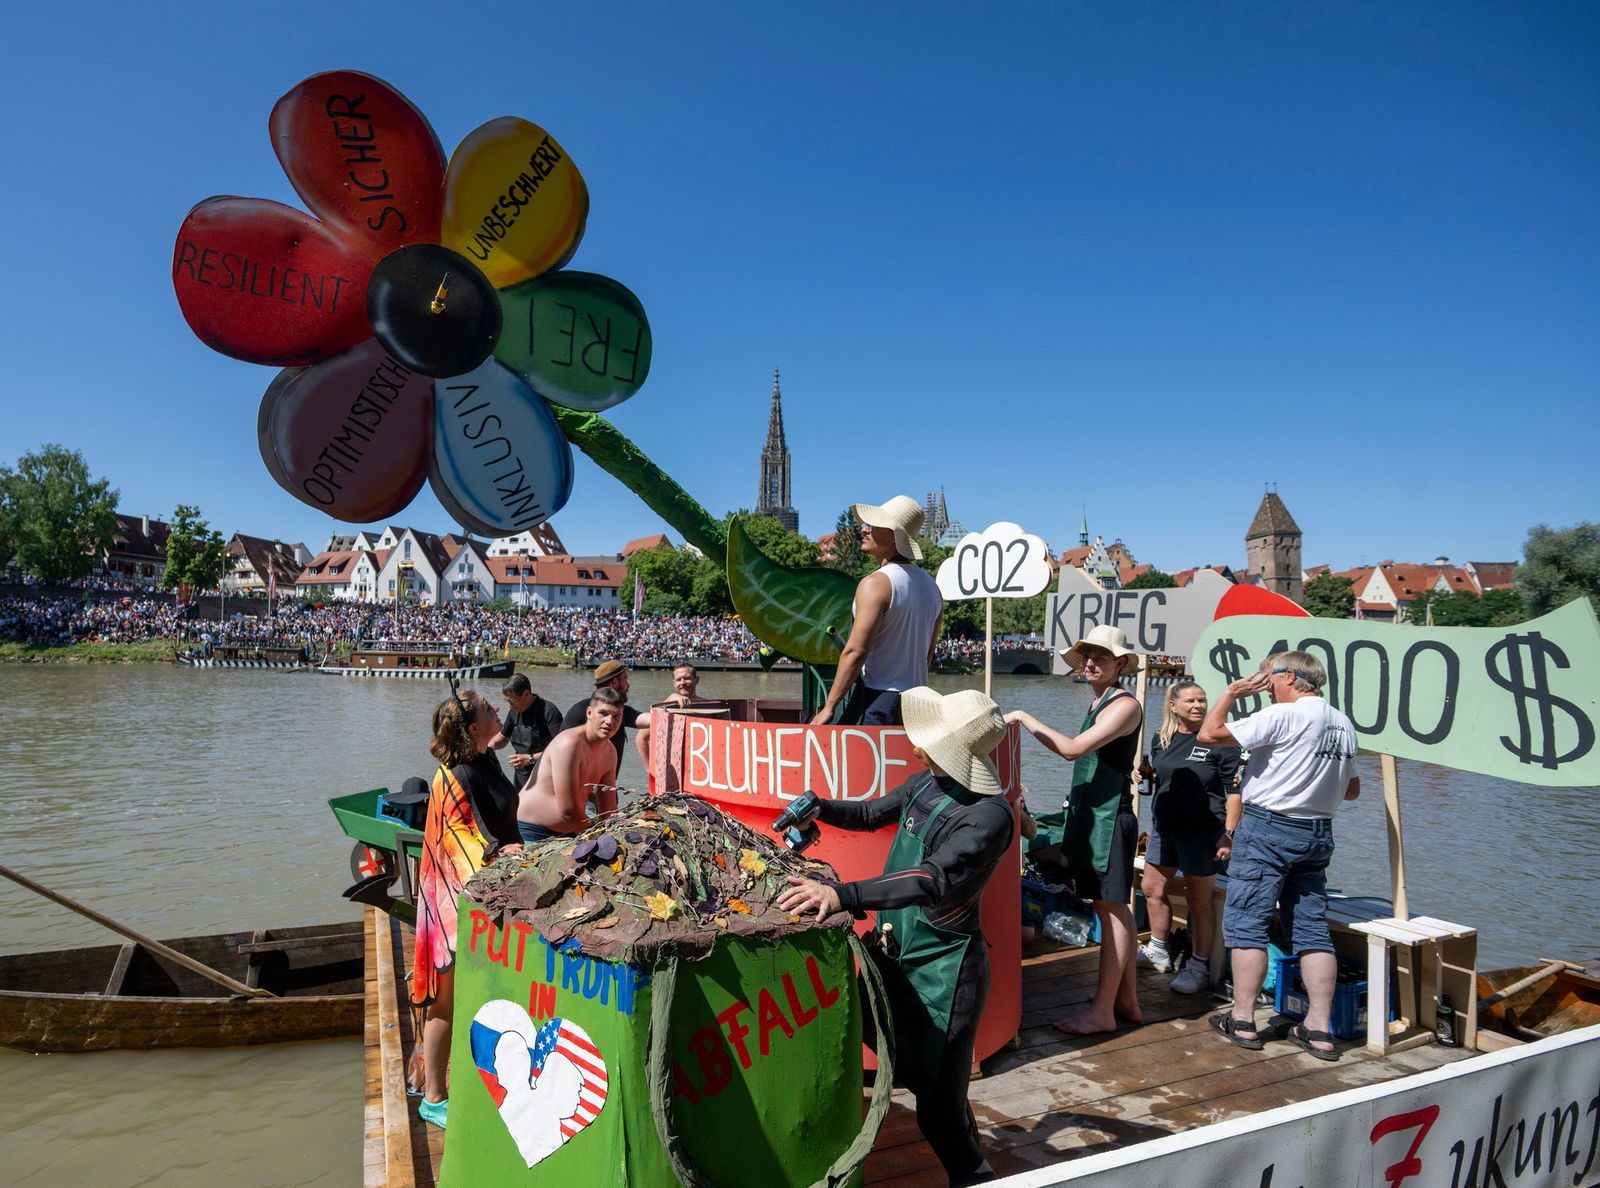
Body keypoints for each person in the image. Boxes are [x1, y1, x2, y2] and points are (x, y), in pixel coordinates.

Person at [778, 687, 1014, 1186]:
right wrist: (819, 806)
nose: (916, 745)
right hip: (896, 952)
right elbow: (868, 815)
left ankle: (979, 1178)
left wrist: (843, 895)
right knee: (894, 1056)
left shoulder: (990, 816)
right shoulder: (926, 784)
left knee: (939, 1111)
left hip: (945, 974)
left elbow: (930, 880)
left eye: (928, 740)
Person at [1198, 651, 1359, 1060]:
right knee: (1311, 930)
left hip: (1269, 827)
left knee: (1247, 922)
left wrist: (1232, 692)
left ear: (1289, 676)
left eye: (1267, 677)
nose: (1263, 684)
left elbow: (1209, 734)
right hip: (1318, 831)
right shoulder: (1342, 723)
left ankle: (1244, 1021)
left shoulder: (1285, 715)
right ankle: (1319, 1030)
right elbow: (1352, 789)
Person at [1004, 625, 1144, 1035]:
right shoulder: (1101, 701)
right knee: (1114, 907)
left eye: (1100, 656)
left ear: (1120, 663)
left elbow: (1072, 749)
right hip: (1092, 818)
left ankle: (1102, 1011)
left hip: (1110, 820)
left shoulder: (1124, 704)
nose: (1090, 663)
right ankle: (1126, 999)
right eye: (1086, 656)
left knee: (1111, 909)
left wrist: (1022, 716)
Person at [412, 689, 525, 1129]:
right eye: (489, 709)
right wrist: (505, 855)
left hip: (489, 890)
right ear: (473, 727)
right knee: (445, 1000)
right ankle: (433, 1096)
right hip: (449, 900)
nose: (498, 709)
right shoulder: (454, 774)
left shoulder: (485, 759)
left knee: (478, 991)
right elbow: (460, 840)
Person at [1137, 681, 1241, 995]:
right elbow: (1160, 775)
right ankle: (1159, 948)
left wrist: (1229, 836)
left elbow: (1235, 794)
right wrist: (1143, 775)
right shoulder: (1161, 738)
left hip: (1204, 833)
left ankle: (1197, 965)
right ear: (1173, 705)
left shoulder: (1221, 741)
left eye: (1202, 700)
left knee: (1198, 901)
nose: (1197, 706)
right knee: (1151, 888)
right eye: (1190, 701)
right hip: (1165, 828)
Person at [811, 495, 942, 727]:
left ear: (894, 536)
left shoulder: (877, 583)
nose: (864, 529)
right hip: (918, 704)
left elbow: (855, 651)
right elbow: (927, 656)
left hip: (878, 701)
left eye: (872, 525)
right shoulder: (932, 587)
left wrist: (829, 707)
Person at [517, 687, 624, 843]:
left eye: (617, 716)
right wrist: (595, 838)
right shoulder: (569, 744)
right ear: (589, 713)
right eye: (603, 713)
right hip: (532, 829)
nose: (610, 721)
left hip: (573, 829)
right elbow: (568, 810)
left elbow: (609, 808)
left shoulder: (610, 752)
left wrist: (618, 831)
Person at [563, 659, 650, 772]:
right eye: (625, 680)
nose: (609, 720)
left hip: (606, 785)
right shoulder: (579, 712)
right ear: (615, 682)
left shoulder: (622, 711)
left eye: (616, 717)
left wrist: (672, 704)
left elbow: (651, 719)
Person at [492, 672, 564, 788]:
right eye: (507, 701)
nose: (509, 706)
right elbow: (503, 737)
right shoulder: (514, 711)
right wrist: (490, 746)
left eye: (513, 701)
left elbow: (560, 751)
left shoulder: (548, 711)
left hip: (545, 776)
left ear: (526, 694)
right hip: (521, 777)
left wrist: (531, 758)